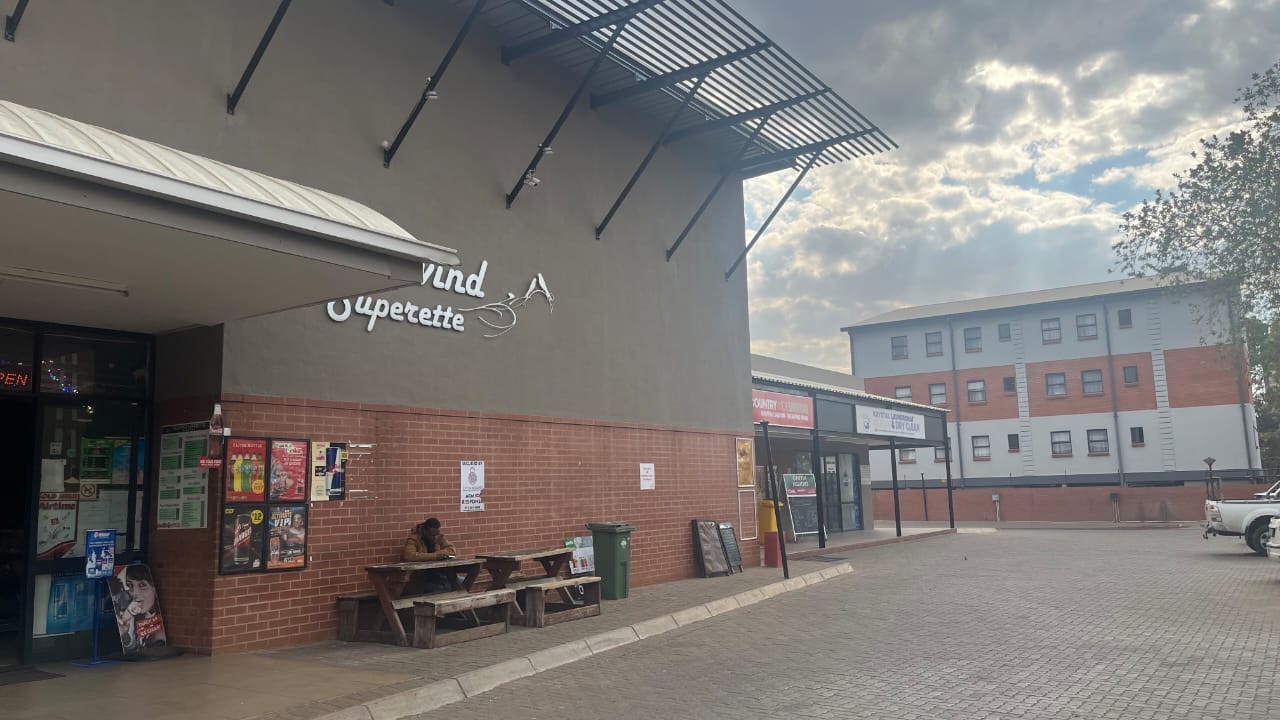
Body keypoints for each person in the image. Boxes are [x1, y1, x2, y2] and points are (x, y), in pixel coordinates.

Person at [108, 565, 167, 653]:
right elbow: (132, 647)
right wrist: (124, 634)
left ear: (154, 589)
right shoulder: (133, 615)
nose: (134, 593)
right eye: (130, 585)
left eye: (142, 585)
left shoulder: (160, 619)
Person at [403, 518, 459, 592]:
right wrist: (435, 556)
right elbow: (409, 556)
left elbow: (452, 551)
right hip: (422, 577)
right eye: (433, 535)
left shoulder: (439, 537)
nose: (435, 537)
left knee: (460, 584)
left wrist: (439, 555)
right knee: (440, 590)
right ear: (426, 531)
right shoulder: (414, 539)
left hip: (441, 573)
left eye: (437, 534)